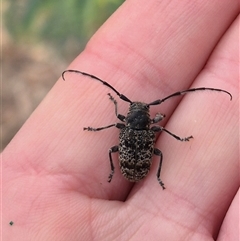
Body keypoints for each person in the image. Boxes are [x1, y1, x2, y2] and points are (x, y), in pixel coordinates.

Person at [2, 1, 239, 240]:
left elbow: (119, 117)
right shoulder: (151, 128)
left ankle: (129, 171)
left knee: (115, 148)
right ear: (147, 119)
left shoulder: (124, 125)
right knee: (161, 149)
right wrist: (169, 127)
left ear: (130, 118)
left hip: (129, 168)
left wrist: (112, 110)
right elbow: (159, 122)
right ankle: (155, 175)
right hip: (138, 169)